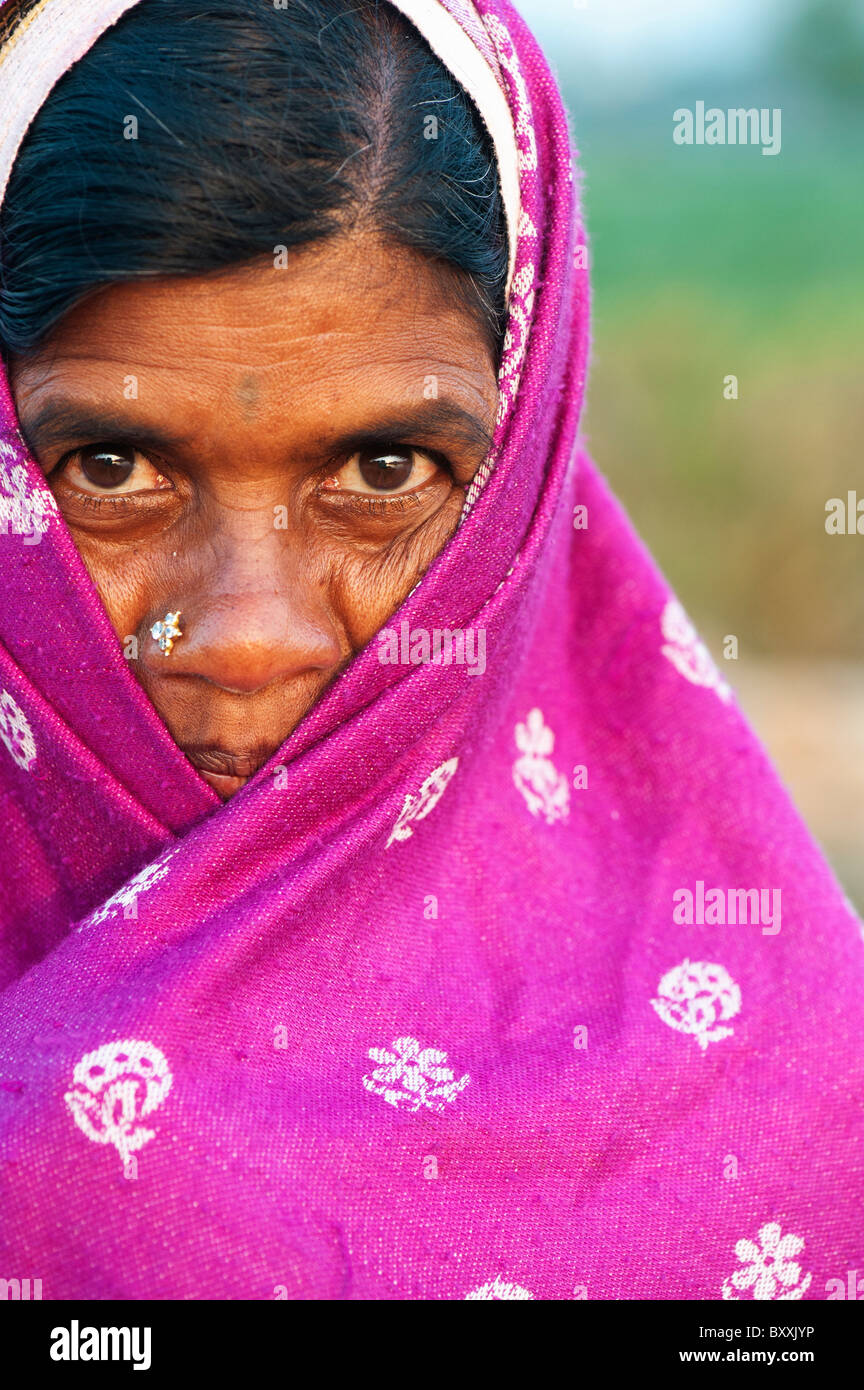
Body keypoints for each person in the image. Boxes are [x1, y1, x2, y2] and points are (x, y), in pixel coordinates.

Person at [0, 0, 861, 1302]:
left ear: (517, 469)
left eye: (384, 468)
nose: (244, 638)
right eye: (112, 466)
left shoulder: (795, 1100)